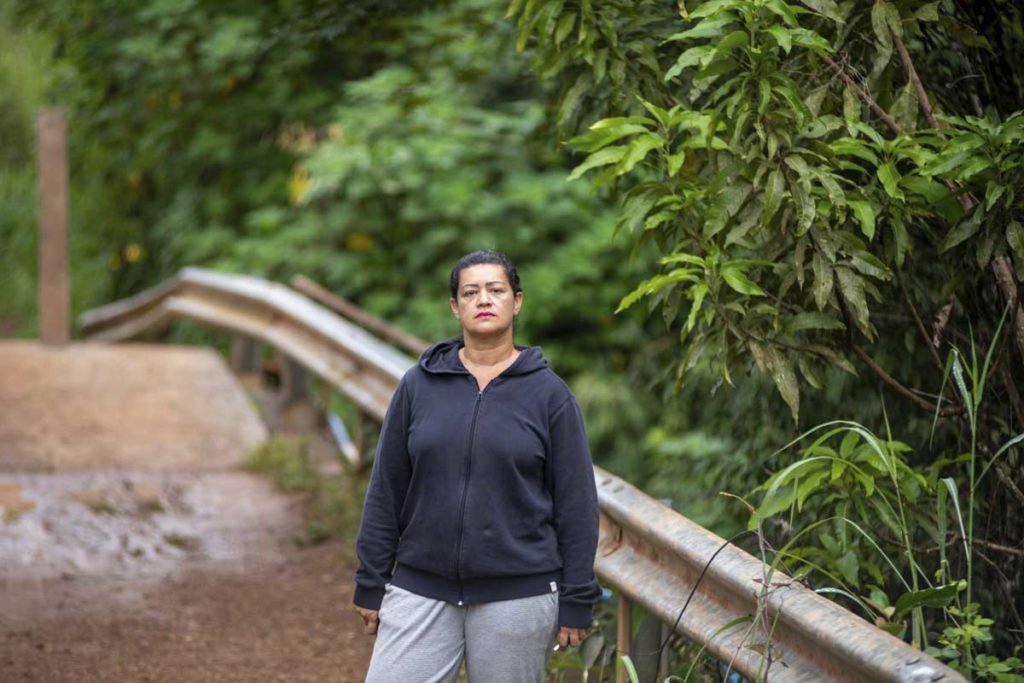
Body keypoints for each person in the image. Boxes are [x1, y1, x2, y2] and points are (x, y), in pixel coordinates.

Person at [353, 250, 601, 683]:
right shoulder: (418, 386)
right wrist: (371, 580)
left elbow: (576, 505)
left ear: (517, 301)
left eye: (496, 289)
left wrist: (577, 598)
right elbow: (387, 488)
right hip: (420, 585)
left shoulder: (550, 396)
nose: (483, 299)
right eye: (470, 291)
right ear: (455, 306)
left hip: (518, 593)